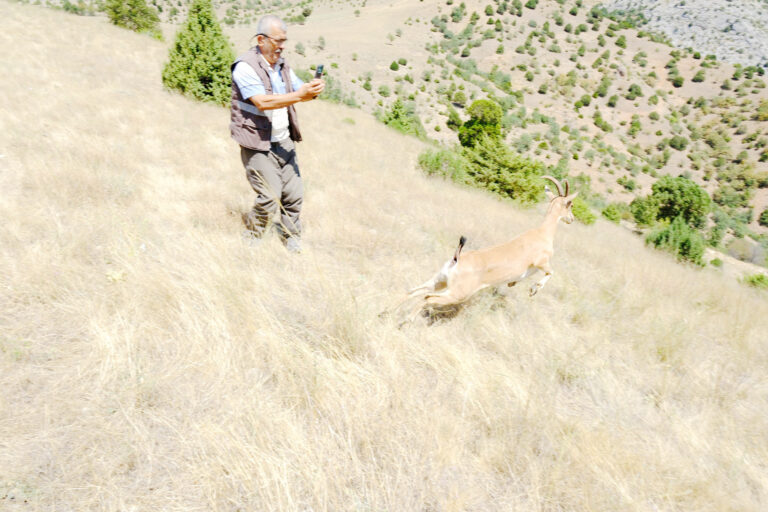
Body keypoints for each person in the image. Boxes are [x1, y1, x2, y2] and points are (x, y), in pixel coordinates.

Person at [230, 15, 325, 253]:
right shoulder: (245, 66)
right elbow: (262, 102)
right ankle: (253, 235)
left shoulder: (282, 65)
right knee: (270, 196)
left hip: (285, 140)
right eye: (278, 41)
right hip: (258, 144)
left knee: (294, 195)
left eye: (284, 41)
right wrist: (300, 95)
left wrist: (312, 90)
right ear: (261, 40)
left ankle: (291, 236)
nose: (282, 46)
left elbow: (297, 89)